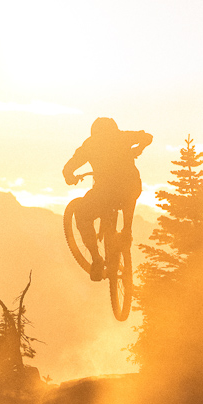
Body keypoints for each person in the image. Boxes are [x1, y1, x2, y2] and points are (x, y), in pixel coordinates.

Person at [63, 117, 152, 281]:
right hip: (131, 188)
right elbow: (147, 137)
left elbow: (68, 168)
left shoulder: (90, 144)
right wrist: (138, 149)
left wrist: (71, 178)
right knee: (128, 197)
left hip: (105, 192)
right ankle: (127, 231)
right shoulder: (122, 136)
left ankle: (96, 259)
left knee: (82, 214)